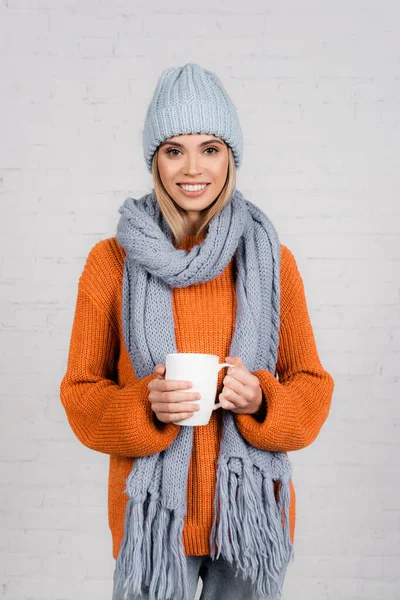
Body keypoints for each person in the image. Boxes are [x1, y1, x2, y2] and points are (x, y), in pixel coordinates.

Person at [60, 63, 335, 600]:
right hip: (154, 523)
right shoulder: (110, 262)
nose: (193, 168)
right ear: (154, 160)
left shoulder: (271, 260)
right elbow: (80, 396)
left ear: (230, 157)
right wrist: (145, 405)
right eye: (174, 149)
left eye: (210, 148)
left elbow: (312, 386)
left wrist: (261, 400)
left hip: (249, 519)